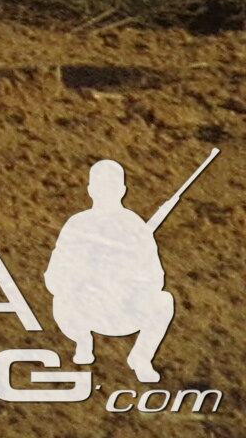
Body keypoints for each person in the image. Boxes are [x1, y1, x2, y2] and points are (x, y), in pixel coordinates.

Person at [46, 160, 185, 385]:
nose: (106, 193)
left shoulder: (135, 226)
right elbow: (54, 274)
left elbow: (156, 278)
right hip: (85, 309)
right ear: (91, 190)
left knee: (163, 301)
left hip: (124, 310)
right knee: (62, 298)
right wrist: (86, 278)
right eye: (101, 187)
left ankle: (141, 358)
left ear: (122, 190)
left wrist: (126, 276)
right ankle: (82, 341)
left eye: (111, 187)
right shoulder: (77, 223)